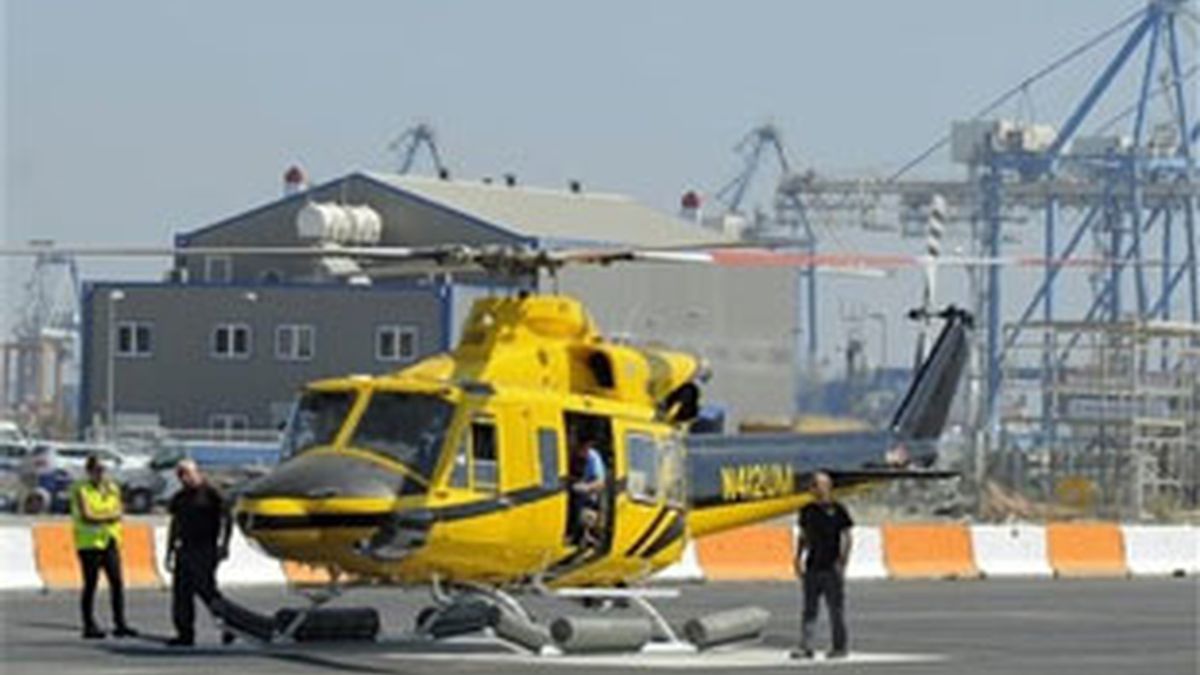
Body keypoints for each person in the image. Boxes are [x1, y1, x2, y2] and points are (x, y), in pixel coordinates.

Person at [165, 459, 233, 647]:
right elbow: (175, 524)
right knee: (181, 594)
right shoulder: (179, 497)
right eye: (180, 475)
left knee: (207, 591)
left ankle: (229, 626)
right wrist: (169, 550)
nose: (184, 478)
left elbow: (228, 519)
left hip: (205, 549)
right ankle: (185, 634)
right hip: (185, 549)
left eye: (187, 473)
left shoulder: (212, 493)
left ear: (197, 472)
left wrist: (225, 544)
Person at [70, 454, 138, 639]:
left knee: (117, 582)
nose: (101, 474)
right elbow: (87, 516)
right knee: (91, 584)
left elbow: (119, 510)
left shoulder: (111, 488)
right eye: (97, 470)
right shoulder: (80, 489)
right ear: (89, 471)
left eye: (103, 470)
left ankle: (120, 623)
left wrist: (104, 516)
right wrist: (107, 516)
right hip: (89, 544)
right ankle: (89, 624)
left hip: (110, 540)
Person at [792, 471, 853, 660]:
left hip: (831, 566)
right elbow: (803, 536)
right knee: (809, 609)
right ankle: (806, 646)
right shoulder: (807, 510)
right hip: (812, 566)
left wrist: (843, 561)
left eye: (821, 485)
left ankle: (839, 646)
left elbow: (847, 536)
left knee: (835, 610)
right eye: (816, 485)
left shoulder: (838, 509)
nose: (818, 489)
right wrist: (798, 557)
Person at [568, 436, 606, 547]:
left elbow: (600, 482)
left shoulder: (593, 458)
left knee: (585, 513)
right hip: (577, 495)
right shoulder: (574, 456)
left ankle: (586, 536)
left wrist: (586, 487)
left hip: (589, 498)